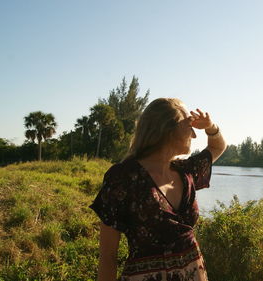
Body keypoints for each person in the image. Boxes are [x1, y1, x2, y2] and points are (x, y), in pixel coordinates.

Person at [89, 98, 226, 281]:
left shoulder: (186, 171)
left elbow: (217, 146)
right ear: (169, 129)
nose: (194, 135)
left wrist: (211, 127)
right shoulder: (124, 177)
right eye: (189, 126)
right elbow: (108, 256)